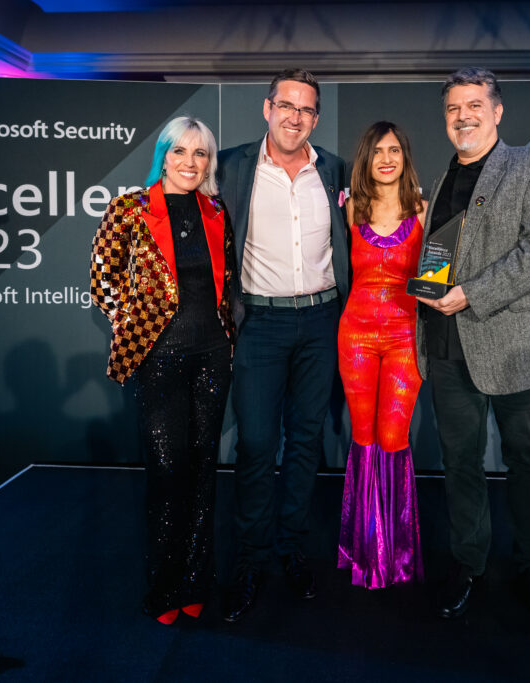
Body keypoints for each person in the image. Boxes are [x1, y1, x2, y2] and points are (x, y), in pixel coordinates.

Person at [415, 67, 530, 628]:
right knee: (460, 462)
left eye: (475, 105)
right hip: (445, 346)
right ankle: (468, 562)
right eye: (454, 107)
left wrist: (472, 294)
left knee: (527, 459)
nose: (464, 115)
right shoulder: (437, 181)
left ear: (497, 111)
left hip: (516, 346)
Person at [216, 68, 349, 622]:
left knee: (305, 444)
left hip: (321, 323)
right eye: (287, 106)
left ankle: (292, 549)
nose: (296, 117)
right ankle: (251, 560)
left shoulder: (336, 170)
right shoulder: (229, 166)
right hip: (260, 326)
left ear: (316, 118)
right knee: (255, 446)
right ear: (267, 108)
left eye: (308, 110)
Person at [90, 116, 235, 625]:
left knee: (202, 473)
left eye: (200, 154)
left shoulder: (215, 210)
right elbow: (102, 281)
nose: (191, 163)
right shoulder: (129, 210)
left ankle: (197, 580)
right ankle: (164, 585)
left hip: (213, 357)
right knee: (166, 474)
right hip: (158, 360)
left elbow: (228, 282)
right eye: (181, 152)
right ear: (164, 155)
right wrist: (136, 330)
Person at [337, 121, 426, 589]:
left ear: (405, 156)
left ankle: (397, 554)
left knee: (394, 438)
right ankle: (362, 552)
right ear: (366, 159)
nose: (387, 158)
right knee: (364, 435)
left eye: (395, 150)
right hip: (354, 336)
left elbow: (438, 276)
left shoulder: (424, 210)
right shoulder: (351, 208)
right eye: (378, 152)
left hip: (405, 337)